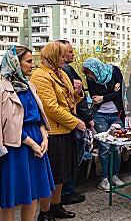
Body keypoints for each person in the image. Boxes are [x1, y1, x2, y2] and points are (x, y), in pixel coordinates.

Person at [31, 41, 85, 220]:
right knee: (51, 175)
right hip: (52, 133)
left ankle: (56, 206)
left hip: (64, 131)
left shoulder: (60, 74)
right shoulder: (40, 75)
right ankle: (44, 212)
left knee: (61, 174)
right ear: (53, 56)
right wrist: (75, 122)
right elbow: (50, 108)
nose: (65, 59)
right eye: (62, 56)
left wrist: (77, 93)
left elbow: (68, 103)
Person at [0, 46, 55, 221]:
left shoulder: (28, 85)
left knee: (32, 194)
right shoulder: (3, 88)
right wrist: (32, 143)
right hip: (16, 146)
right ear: (16, 62)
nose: (33, 65)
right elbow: (7, 125)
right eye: (29, 61)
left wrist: (45, 137)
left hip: (37, 143)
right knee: (9, 199)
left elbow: (38, 117)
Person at [82, 58, 125, 192]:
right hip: (100, 114)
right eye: (87, 75)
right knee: (104, 146)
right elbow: (95, 97)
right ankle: (103, 178)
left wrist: (104, 97)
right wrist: (113, 91)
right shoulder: (91, 79)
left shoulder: (115, 71)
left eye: (89, 74)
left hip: (116, 114)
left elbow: (121, 92)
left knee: (117, 145)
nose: (89, 77)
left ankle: (115, 175)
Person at [58, 40, 93, 205]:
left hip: (73, 121)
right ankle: (67, 192)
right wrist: (87, 118)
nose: (73, 54)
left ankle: (66, 192)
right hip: (73, 122)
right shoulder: (65, 70)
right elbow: (72, 101)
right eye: (70, 51)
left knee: (74, 158)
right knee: (73, 159)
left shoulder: (65, 70)